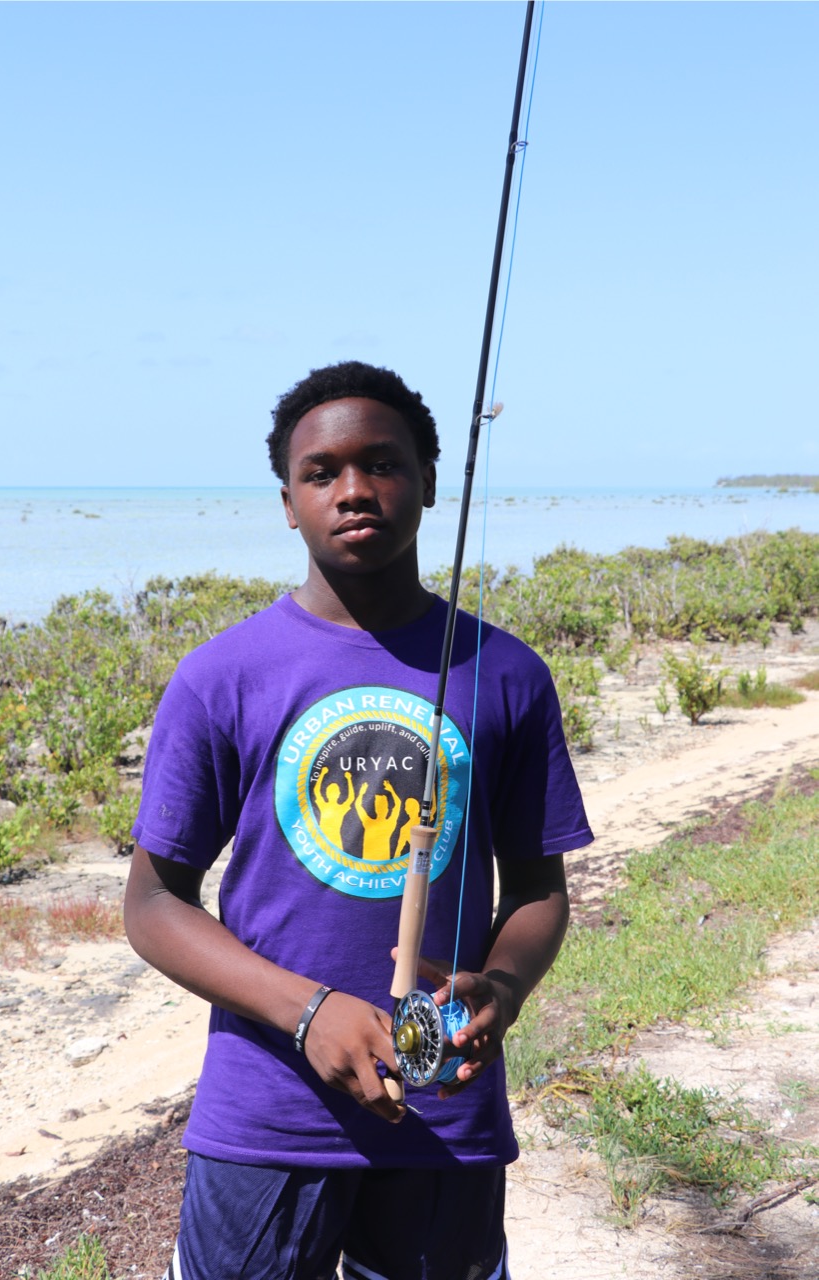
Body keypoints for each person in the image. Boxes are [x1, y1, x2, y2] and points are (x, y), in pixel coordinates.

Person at [124, 360, 594, 1280]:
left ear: (426, 480)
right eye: (320, 472)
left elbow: (539, 888)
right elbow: (153, 903)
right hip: (267, 1112)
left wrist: (500, 988)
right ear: (288, 503)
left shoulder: (504, 673)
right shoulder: (224, 675)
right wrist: (308, 1015)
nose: (352, 490)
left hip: (443, 1116)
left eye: (380, 463)